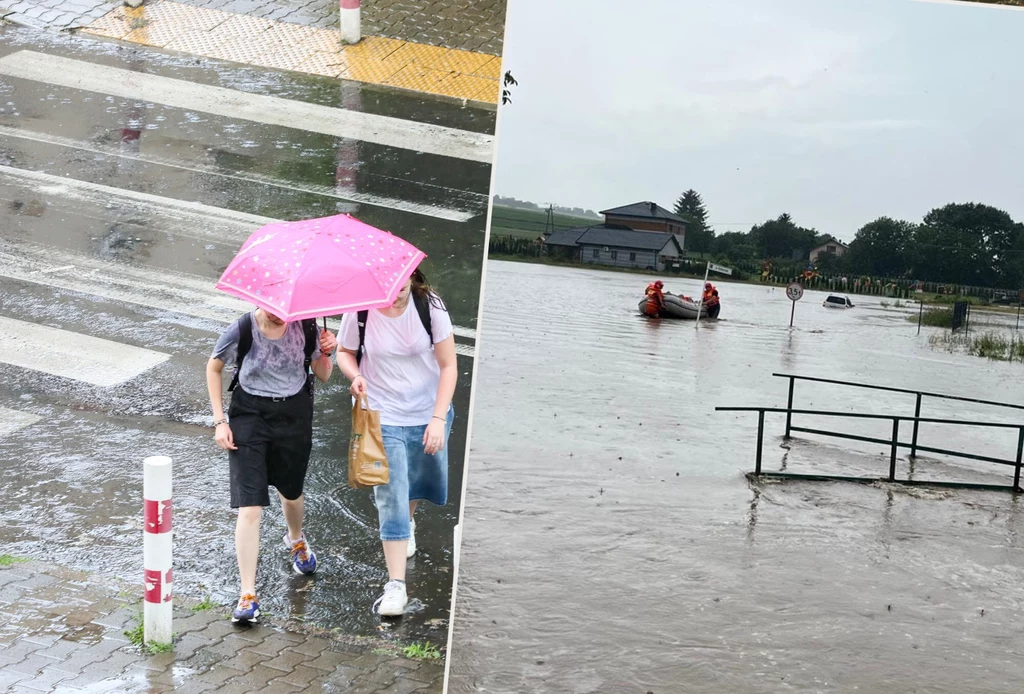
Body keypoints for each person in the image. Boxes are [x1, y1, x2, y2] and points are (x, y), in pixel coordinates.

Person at [336, 268, 457, 617]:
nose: (393, 297)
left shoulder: (429, 306)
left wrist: (437, 419)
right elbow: (345, 351)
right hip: (381, 413)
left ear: (412, 280)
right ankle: (395, 587)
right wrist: (356, 374)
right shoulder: (360, 310)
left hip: (426, 410)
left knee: (414, 484)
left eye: (399, 289)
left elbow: (449, 365)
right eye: (385, 292)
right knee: (390, 494)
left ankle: (407, 524)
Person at [206, 308, 336, 625]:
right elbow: (214, 367)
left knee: (290, 493)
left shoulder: (306, 327)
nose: (278, 317)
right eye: (272, 310)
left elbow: (323, 374)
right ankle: (248, 594)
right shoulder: (242, 328)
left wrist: (326, 352)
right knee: (250, 507)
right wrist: (220, 422)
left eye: (284, 312)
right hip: (249, 416)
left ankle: (295, 538)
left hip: (294, 416)